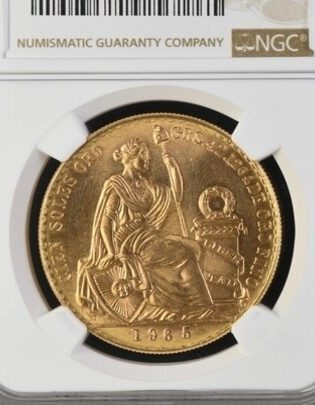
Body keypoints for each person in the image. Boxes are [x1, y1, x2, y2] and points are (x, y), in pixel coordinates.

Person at [76, 136, 214, 322]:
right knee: (182, 254)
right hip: (128, 241)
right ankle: (191, 308)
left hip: (147, 234)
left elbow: (174, 195)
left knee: (192, 246)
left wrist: (171, 166)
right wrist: (110, 252)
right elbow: (105, 222)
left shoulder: (146, 184)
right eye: (144, 157)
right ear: (131, 157)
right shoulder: (117, 184)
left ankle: (195, 307)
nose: (148, 161)